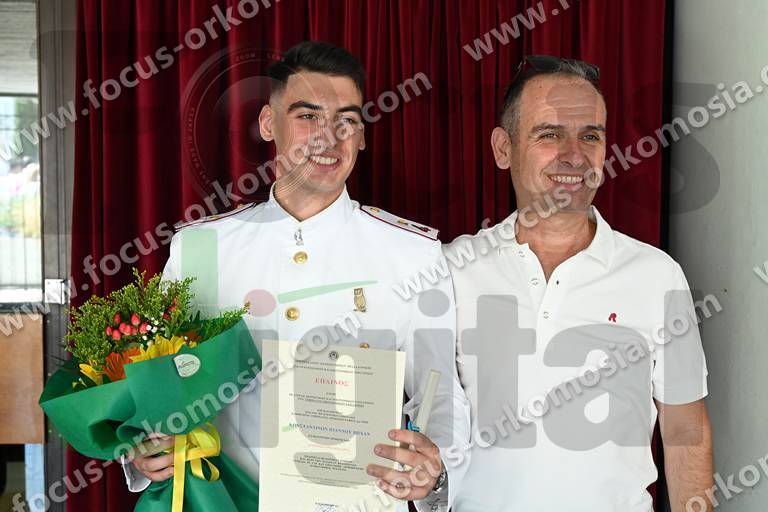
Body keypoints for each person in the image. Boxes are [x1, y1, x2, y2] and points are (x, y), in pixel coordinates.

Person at [122, 41, 471, 511]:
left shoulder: (412, 254)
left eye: (347, 121)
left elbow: (440, 391)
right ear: (269, 123)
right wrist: (143, 447)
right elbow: (156, 378)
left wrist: (436, 470)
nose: (329, 138)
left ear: (362, 136)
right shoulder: (202, 248)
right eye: (308, 116)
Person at [445, 56, 713, 511]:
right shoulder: (453, 268)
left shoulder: (657, 275)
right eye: (550, 134)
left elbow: (686, 430)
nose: (574, 155)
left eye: (590, 136)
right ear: (503, 148)